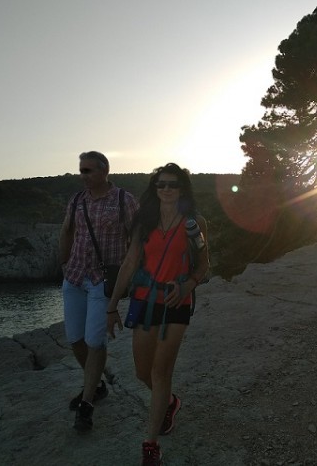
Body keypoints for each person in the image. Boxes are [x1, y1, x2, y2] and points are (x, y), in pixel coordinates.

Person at [106, 163, 210, 466]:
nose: (166, 189)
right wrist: (112, 306)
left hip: (177, 300)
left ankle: (149, 444)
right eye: (161, 184)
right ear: (155, 188)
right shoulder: (145, 221)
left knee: (160, 371)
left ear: (182, 189)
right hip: (144, 299)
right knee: (142, 372)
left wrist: (188, 284)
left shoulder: (194, 222)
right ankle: (169, 402)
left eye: (173, 185)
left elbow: (203, 265)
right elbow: (128, 264)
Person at [58, 151, 139, 433]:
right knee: (75, 339)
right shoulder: (77, 200)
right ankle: (99, 385)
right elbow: (67, 231)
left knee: (95, 341)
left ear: (105, 171)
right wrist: (63, 263)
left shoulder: (123, 200)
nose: (83, 176)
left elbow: (137, 239)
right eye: (81, 170)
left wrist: (131, 277)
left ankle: (88, 402)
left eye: (88, 170)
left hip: (103, 281)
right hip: (75, 276)